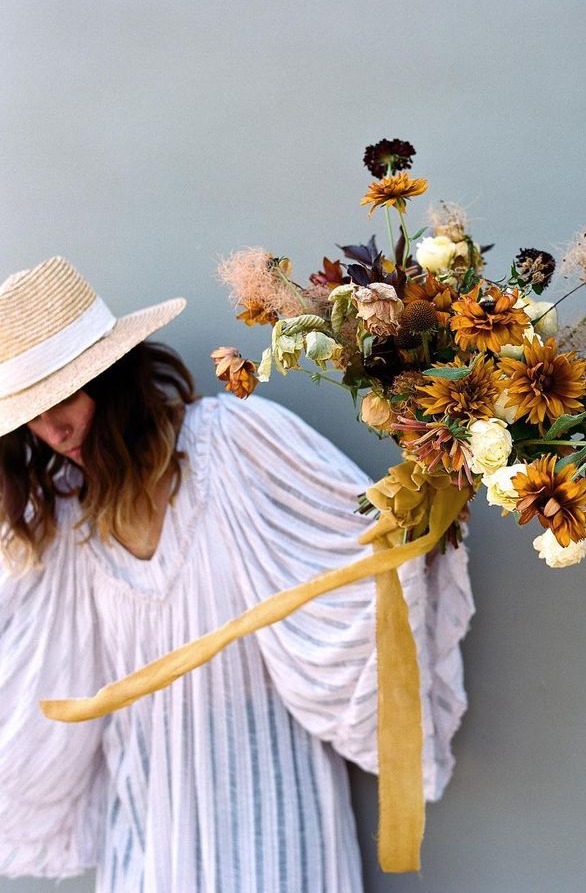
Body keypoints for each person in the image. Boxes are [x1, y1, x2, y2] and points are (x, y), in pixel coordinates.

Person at [0, 256, 474, 892]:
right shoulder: (63, 520)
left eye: (66, 397)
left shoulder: (234, 445)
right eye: (31, 414)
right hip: (148, 826)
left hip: (275, 806)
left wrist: (445, 471)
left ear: (111, 377)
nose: (53, 430)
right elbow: (28, 674)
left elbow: (367, 549)